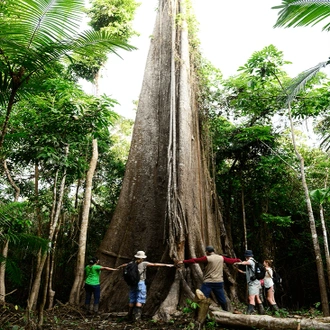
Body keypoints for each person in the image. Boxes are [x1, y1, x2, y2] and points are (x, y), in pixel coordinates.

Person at [177, 246, 241, 311]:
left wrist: (183, 261)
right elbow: (230, 261)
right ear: (213, 251)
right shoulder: (221, 258)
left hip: (208, 282)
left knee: (202, 298)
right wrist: (237, 260)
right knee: (221, 298)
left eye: (206, 251)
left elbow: (195, 260)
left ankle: (199, 312)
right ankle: (226, 311)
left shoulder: (207, 258)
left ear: (207, 252)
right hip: (219, 282)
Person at [117, 250, 174, 322]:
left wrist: (118, 267)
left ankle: (130, 316)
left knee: (132, 299)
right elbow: (154, 264)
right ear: (142, 258)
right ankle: (137, 318)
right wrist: (167, 265)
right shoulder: (144, 263)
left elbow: (124, 265)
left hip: (132, 283)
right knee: (140, 298)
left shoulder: (130, 263)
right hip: (140, 283)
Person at [234, 250, 265, 315]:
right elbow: (250, 272)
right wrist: (241, 271)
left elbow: (246, 263)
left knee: (251, 298)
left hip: (253, 283)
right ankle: (262, 312)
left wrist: (237, 263)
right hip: (256, 282)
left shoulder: (251, 261)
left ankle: (249, 314)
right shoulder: (254, 261)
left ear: (246, 256)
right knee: (257, 297)